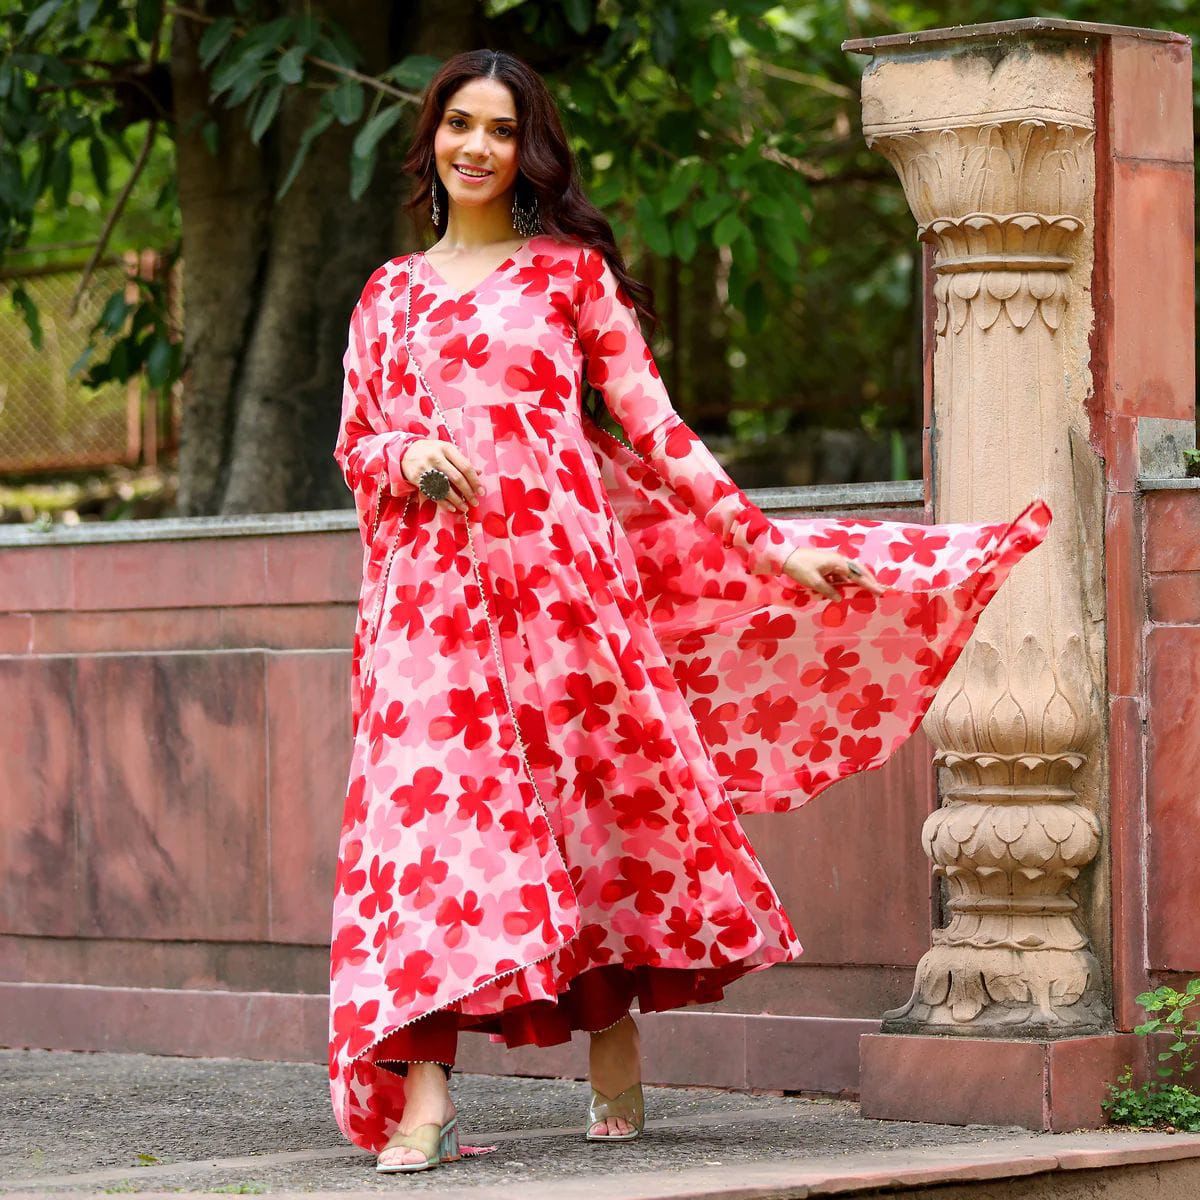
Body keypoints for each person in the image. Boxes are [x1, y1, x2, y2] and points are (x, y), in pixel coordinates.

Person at [330, 48, 1051, 1175]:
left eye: (501, 129)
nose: (477, 147)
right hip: (429, 618)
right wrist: (407, 450)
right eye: (459, 125)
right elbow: (354, 442)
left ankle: (611, 1042)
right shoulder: (388, 293)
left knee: (588, 814)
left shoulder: (566, 277)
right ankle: (426, 1096)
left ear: (530, 152)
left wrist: (769, 548)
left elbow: (655, 433)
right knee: (431, 835)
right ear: (429, 142)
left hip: (565, 590)